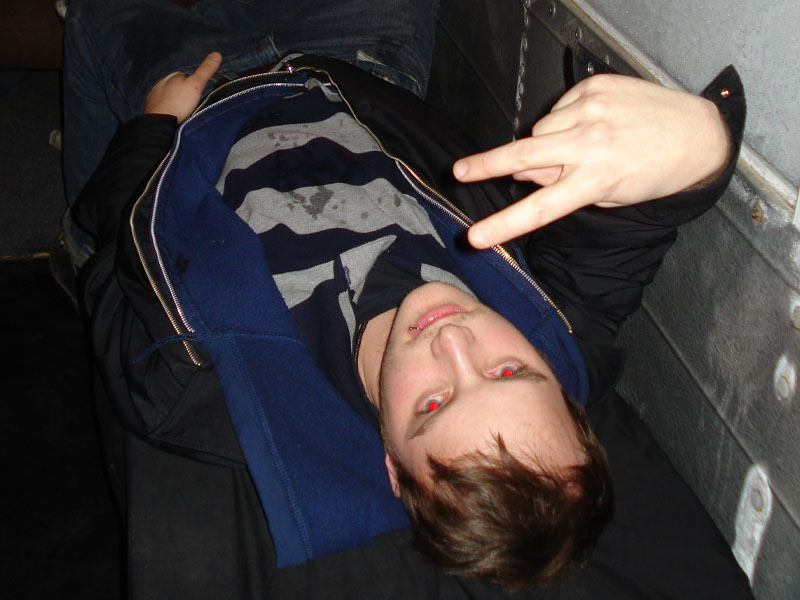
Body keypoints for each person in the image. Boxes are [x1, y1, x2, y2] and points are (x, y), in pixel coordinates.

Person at [63, 0, 746, 594]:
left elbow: (124, 243)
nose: (454, 340)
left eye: (434, 404)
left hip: (194, 107)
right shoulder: (555, 329)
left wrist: (150, 130)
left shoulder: (192, 386)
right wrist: (703, 146)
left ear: (390, 468)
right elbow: (629, 231)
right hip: (352, 71)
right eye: (511, 371)